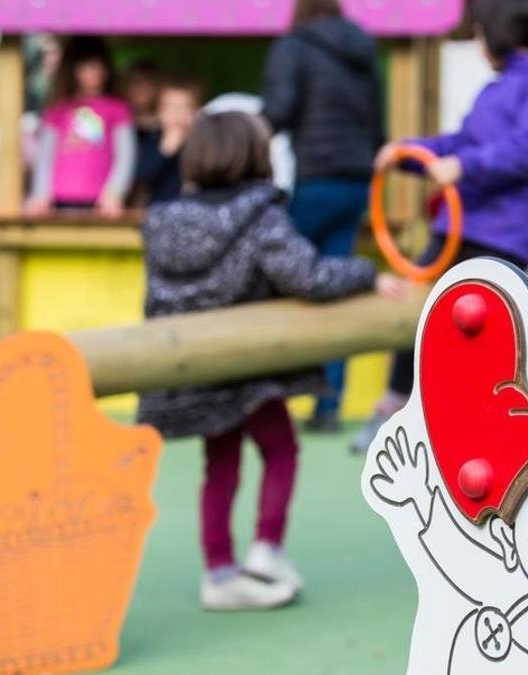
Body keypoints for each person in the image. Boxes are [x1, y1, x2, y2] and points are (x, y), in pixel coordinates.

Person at [136, 111, 407, 611]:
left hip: (196, 365)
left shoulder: (163, 221)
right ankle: (267, 547)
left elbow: (159, 297)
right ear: (255, 157)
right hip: (248, 361)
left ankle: (218, 572)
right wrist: (364, 275)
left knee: (220, 466)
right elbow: (306, 276)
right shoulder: (260, 215)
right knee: (280, 449)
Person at [353, 0, 528, 450]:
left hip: (500, 235)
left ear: (498, 33)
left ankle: (492, 426)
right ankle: (395, 410)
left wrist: (464, 166)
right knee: (417, 316)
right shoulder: (497, 88)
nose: (477, 44)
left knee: (479, 334)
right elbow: (461, 143)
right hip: (455, 229)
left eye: (479, 33)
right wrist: (408, 152)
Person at [262, 0, 385, 432]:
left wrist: (233, 140)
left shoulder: (293, 46)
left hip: (314, 178)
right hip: (356, 184)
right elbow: (378, 126)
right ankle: (328, 405)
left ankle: (266, 396)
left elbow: (277, 112)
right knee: (337, 286)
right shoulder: (364, 50)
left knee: (276, 278)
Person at [25, 36, 136, 218]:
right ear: (73, 69)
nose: (95, 72)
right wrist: (40, 194)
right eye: (88, 66)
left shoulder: (117, 109)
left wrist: (115, 192)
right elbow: (45, 157)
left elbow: (125, 155)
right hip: (59, 200)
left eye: (100, 65)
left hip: (101, 203)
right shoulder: (57, 110)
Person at [134, 76, 202, 205]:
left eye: (183, 108)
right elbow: (144, 177)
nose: (177, 114)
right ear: (159, 113)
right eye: (170, 108)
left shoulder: (201, 142)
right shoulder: (152, 139)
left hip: (194, 209)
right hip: (160, 209)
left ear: (196, 113)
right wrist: (166, 150)